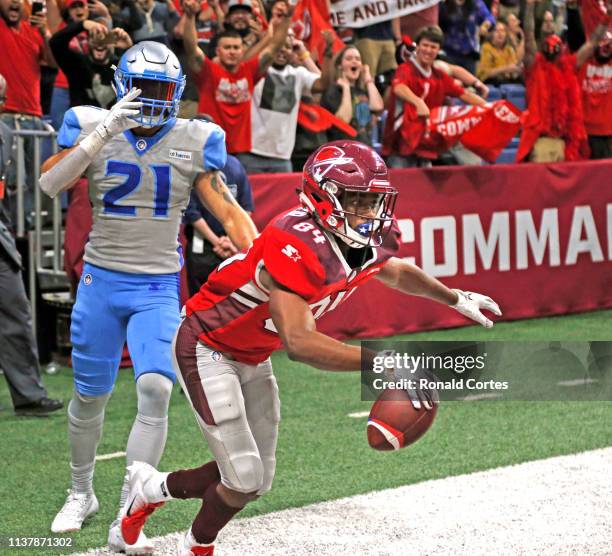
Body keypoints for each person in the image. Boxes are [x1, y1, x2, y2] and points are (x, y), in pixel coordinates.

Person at [119, 140, 501, 556]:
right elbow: (299, 343)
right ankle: (197, 546)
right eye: (358, 200)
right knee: (244, 475)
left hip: (252, 352)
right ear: (323, 197)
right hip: (207, 344)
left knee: (255, 480)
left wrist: (454, 297)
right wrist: (382, 364)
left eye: (374, 201)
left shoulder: (359, 235)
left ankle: (151, 487)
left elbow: (392, 270)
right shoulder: (296, 240)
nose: (370, 212)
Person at [39, 41, 257, 554]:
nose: (152, 100)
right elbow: (51, 182)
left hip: (157, 286)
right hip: (100, 282)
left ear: (177, 92)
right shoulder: (90, 122)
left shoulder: (194, 139)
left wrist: (267, 264)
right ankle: (80, 491)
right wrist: (103, 132)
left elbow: (228, 213)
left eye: (161, 89)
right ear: (121, 87)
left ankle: (126, 507)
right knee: (89, 396)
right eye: (143, 88)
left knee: (156, 389)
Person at [0, 75, 63, 418]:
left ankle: (28, 394)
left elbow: (10, 191)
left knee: (16, 311)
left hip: (0, 237)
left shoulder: (7, 135)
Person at [182, 0, 293, 158]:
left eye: (236, 48)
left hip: (241, 151)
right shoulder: (208, 72)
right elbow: (191, 48)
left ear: (242, 51)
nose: (232, 52)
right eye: (227, 48)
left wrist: (287, 19)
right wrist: (190, 16)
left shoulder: (249, 71)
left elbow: (274, 47)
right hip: (207, 147)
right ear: (218, 51)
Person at [516, 0, 609, 162]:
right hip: (541, 139)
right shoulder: (535, 66)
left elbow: (593, 42)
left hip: (566, 141)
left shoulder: (570, 64)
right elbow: (529, 36)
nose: (553, 48)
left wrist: (608, 17)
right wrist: (530, 6)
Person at [382, 25, 488, 168]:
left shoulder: (440, 76)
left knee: (466, 145)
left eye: (433, 47)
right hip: (400, 143)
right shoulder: (405, 69)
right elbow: (398, 87)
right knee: (401, 186)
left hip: (425, 141)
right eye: (425, 45)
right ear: (417, 47)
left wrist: (490, 108)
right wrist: (418, 102)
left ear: (438, 50)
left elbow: (465, 94)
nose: (428, 50)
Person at [321, 45, 385, 145]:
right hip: (343, 151)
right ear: (340, 66)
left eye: (358, 59)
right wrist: (346, 88)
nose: (354, 61)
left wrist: (368, 79)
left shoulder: (362, 91)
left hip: (364, 149)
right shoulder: (333, 91)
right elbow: (342, 120)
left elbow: (377, 107)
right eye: (349, 59)